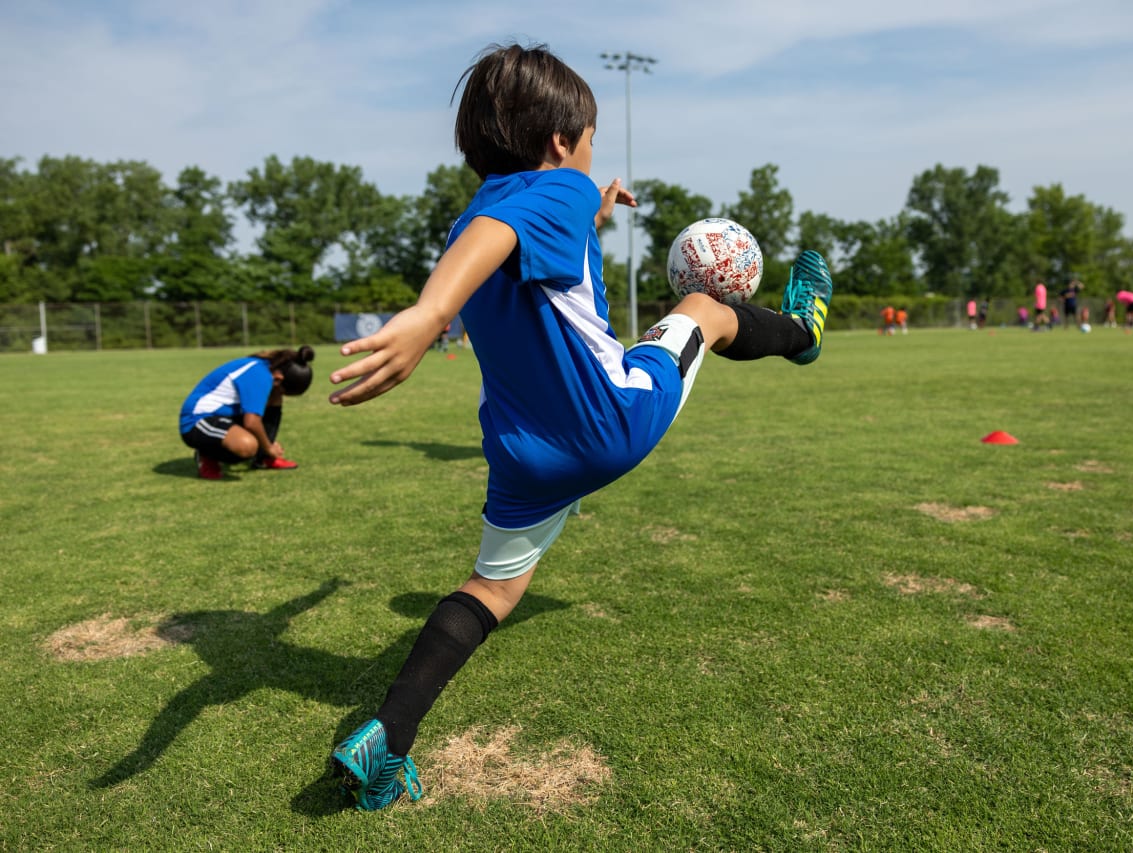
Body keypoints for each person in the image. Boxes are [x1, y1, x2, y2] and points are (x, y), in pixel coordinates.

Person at [323, 42, 834, 812]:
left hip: (526, 455)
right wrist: (430, 314)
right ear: (562, 143)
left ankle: (388, 741)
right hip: (608, 418)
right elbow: (509, 231)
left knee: (494, 587)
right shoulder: (555, 190)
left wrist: (596, 204)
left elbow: (504, 229)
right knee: (703, 311)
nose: (591, 162)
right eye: (591, 141)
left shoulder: (503, 205)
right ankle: (803, 329)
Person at [179, 346, 315, 480]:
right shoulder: (259, 374)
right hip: (197, 421)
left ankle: (263, 459)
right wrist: (269, 447)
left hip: (226, 416)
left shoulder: (268, 370)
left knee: (275, 395)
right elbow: (251, 422)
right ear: (278, 378)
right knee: (247, 446)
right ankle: (207, 455)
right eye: (286, 392)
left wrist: (267, 446)